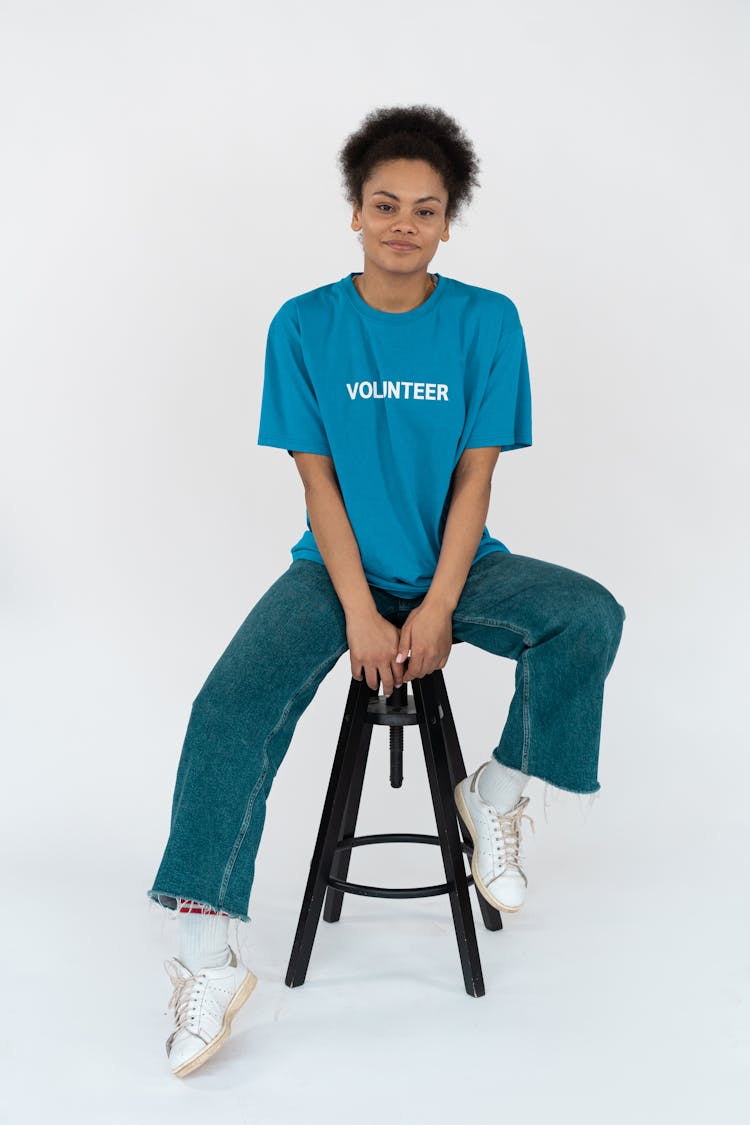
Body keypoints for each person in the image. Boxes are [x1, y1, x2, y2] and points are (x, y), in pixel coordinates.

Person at [147, 104, 626, 1078]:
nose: (403, 222)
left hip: (459, 561)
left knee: (587, 615)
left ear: (448, 222)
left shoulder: (487, 322)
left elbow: (475, 479)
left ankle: (492, 793)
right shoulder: (305, 326)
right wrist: (362, 611)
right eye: (384, 204)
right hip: (335, 573)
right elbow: (318, 487)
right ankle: (207, 961)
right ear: (355, 213)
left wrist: (441, 605)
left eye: (425, 207)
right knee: (228, 704)